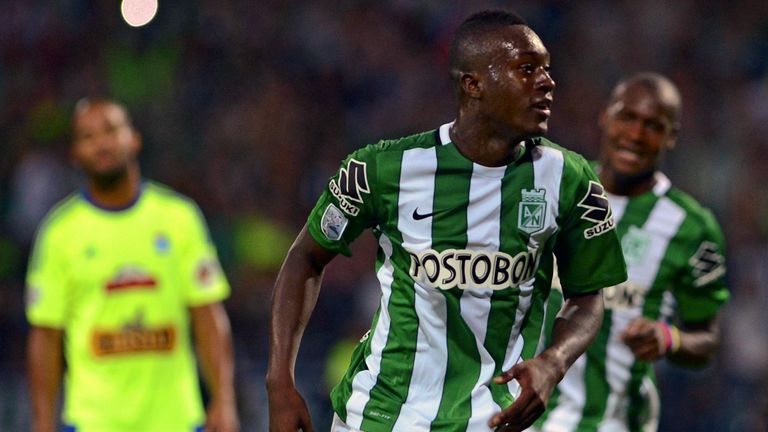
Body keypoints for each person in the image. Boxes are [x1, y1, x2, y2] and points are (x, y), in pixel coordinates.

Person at [266, 9, 627, 432]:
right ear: (473, 85)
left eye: (547, 70)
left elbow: (588, 296)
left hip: (495, 420)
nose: (547, 82)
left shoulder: (569, 178)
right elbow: (305, 258)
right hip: (382, 416)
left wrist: (554, 361)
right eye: (527, 70)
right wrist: (280, 383)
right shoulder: (382, 169)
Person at [25, 98, 240, 432]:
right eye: (87, 136)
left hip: (177, 421)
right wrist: (41, 424)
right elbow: (45, 336)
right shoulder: (59, 233)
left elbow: (208, 316)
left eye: (110, 130)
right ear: (75, 153)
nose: (101, 143)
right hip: (92, 422)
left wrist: (224, 401)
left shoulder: (179, 218)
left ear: (134, 139)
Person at [533, 73, 730, 432]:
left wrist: (668, 338)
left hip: (611, 421)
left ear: (671, 136)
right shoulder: (555, 190)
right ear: (605, 116)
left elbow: (709, 339)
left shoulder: (691, 227)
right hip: (518, 412)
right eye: (627, 117)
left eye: (653, 126)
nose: (636, 135)